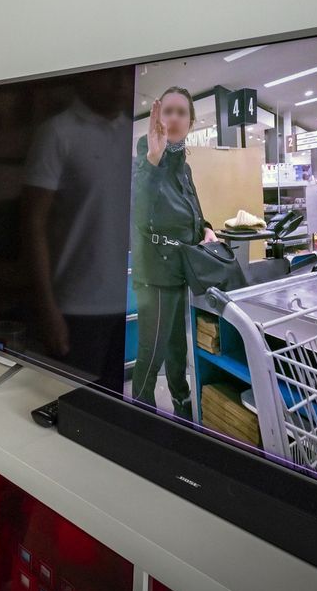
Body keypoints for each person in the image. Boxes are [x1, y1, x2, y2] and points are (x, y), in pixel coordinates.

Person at [22, 68, 134, 389]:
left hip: (124, 302)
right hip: (75, 309)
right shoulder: (58, 133)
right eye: (111, 75)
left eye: (125, 77)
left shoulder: (131, 133)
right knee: (71, 408)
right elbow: (33, 223)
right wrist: (47, 308)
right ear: (87, 78)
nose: (120, 84)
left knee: (114, 404)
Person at [129, 87, 217, 419]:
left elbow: (190, 210)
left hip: (180, 269)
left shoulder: (183, 163)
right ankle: (141, 418)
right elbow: (139, 213)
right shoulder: (147, 153)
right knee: (151, 354)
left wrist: (206, 227)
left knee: (178, 348)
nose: (175, 117)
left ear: (191, 122)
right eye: (168, 111)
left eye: (182, 112)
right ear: (159, 117)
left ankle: (182, 405)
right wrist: (152, 160)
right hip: (154, 274)